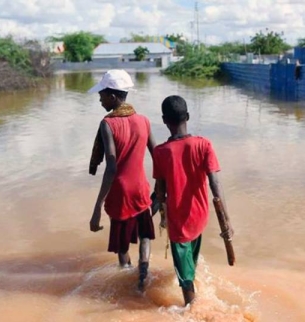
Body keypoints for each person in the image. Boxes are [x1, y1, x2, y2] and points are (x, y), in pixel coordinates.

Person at [153, 95, 234, 306]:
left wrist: (161, 216)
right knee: (191, 261)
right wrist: (227, 221)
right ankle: (195, 296)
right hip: (200, 216)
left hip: (179, 221)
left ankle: (191, 309)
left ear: (164, 120)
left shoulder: (160, 152)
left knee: (185, 277)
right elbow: (216, 184)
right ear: (187, 116)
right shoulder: (204, 145)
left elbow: (160, 192)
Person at [87, 69, 157, 290]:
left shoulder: (107, 124)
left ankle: (128, 279)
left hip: (120, 192)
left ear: (113, 96)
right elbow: (158, 155)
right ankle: (144, 268)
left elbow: (111, 167)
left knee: (122, 244)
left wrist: (97, 206)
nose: (99, 99)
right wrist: (162, 189)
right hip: (141, 189)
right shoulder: (144, 121)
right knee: (145, 233)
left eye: (102, 95)